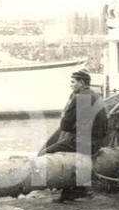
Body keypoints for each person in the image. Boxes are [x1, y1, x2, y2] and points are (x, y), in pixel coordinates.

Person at [41, 68, 109, 202]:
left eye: (73, 82)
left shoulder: (79, 98)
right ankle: (73, 191)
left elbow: (65, 125)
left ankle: (72, 188)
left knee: (46, 152)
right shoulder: (97, 97)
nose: (70, 84)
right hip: (97, 143)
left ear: (81, 82)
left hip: (84, 143)